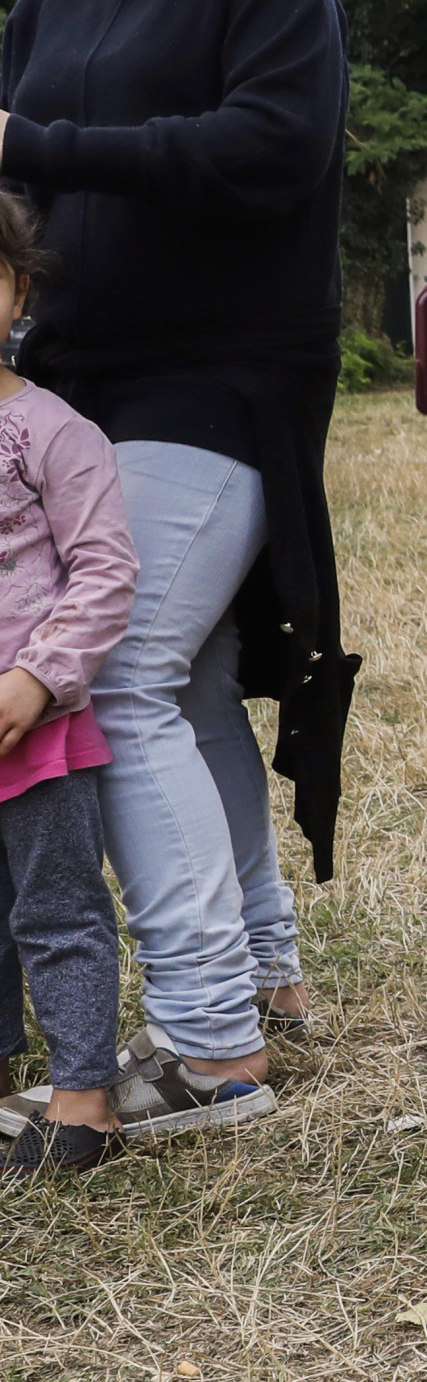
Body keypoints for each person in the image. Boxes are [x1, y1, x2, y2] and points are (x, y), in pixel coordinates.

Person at [0, 0, 355, 1139]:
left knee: (122, 676)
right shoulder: (45, 6)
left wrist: (32, 138)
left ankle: (210, 1054)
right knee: (195, 685)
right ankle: (264, 975)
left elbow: (266, 152)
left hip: (221, 379)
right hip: (71, 388)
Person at [0, 195, 140, 1176]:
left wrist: (37, 678)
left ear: (16, 290)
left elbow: (104, 568)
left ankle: (85, 1099)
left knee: (56, 910)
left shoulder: (50, 429)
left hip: (32, 726)